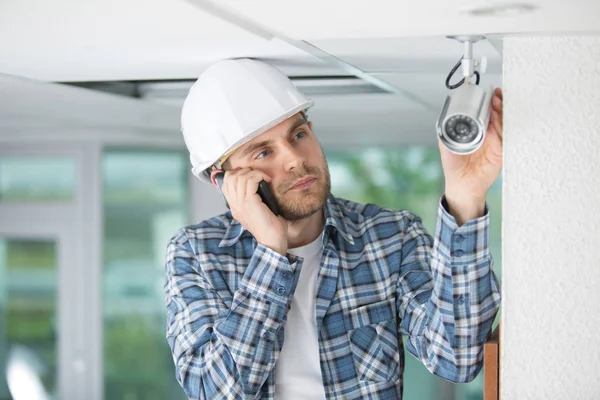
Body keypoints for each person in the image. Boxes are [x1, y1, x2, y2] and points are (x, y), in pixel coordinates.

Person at [164, 58, 502, 400]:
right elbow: (216, 392)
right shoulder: (196, 253)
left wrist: (465, 195)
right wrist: (270, 251)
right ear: (222, 182)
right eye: (263, 152)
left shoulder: (390, 236)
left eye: (298, 134)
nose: (295, 158)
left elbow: (456, 358)